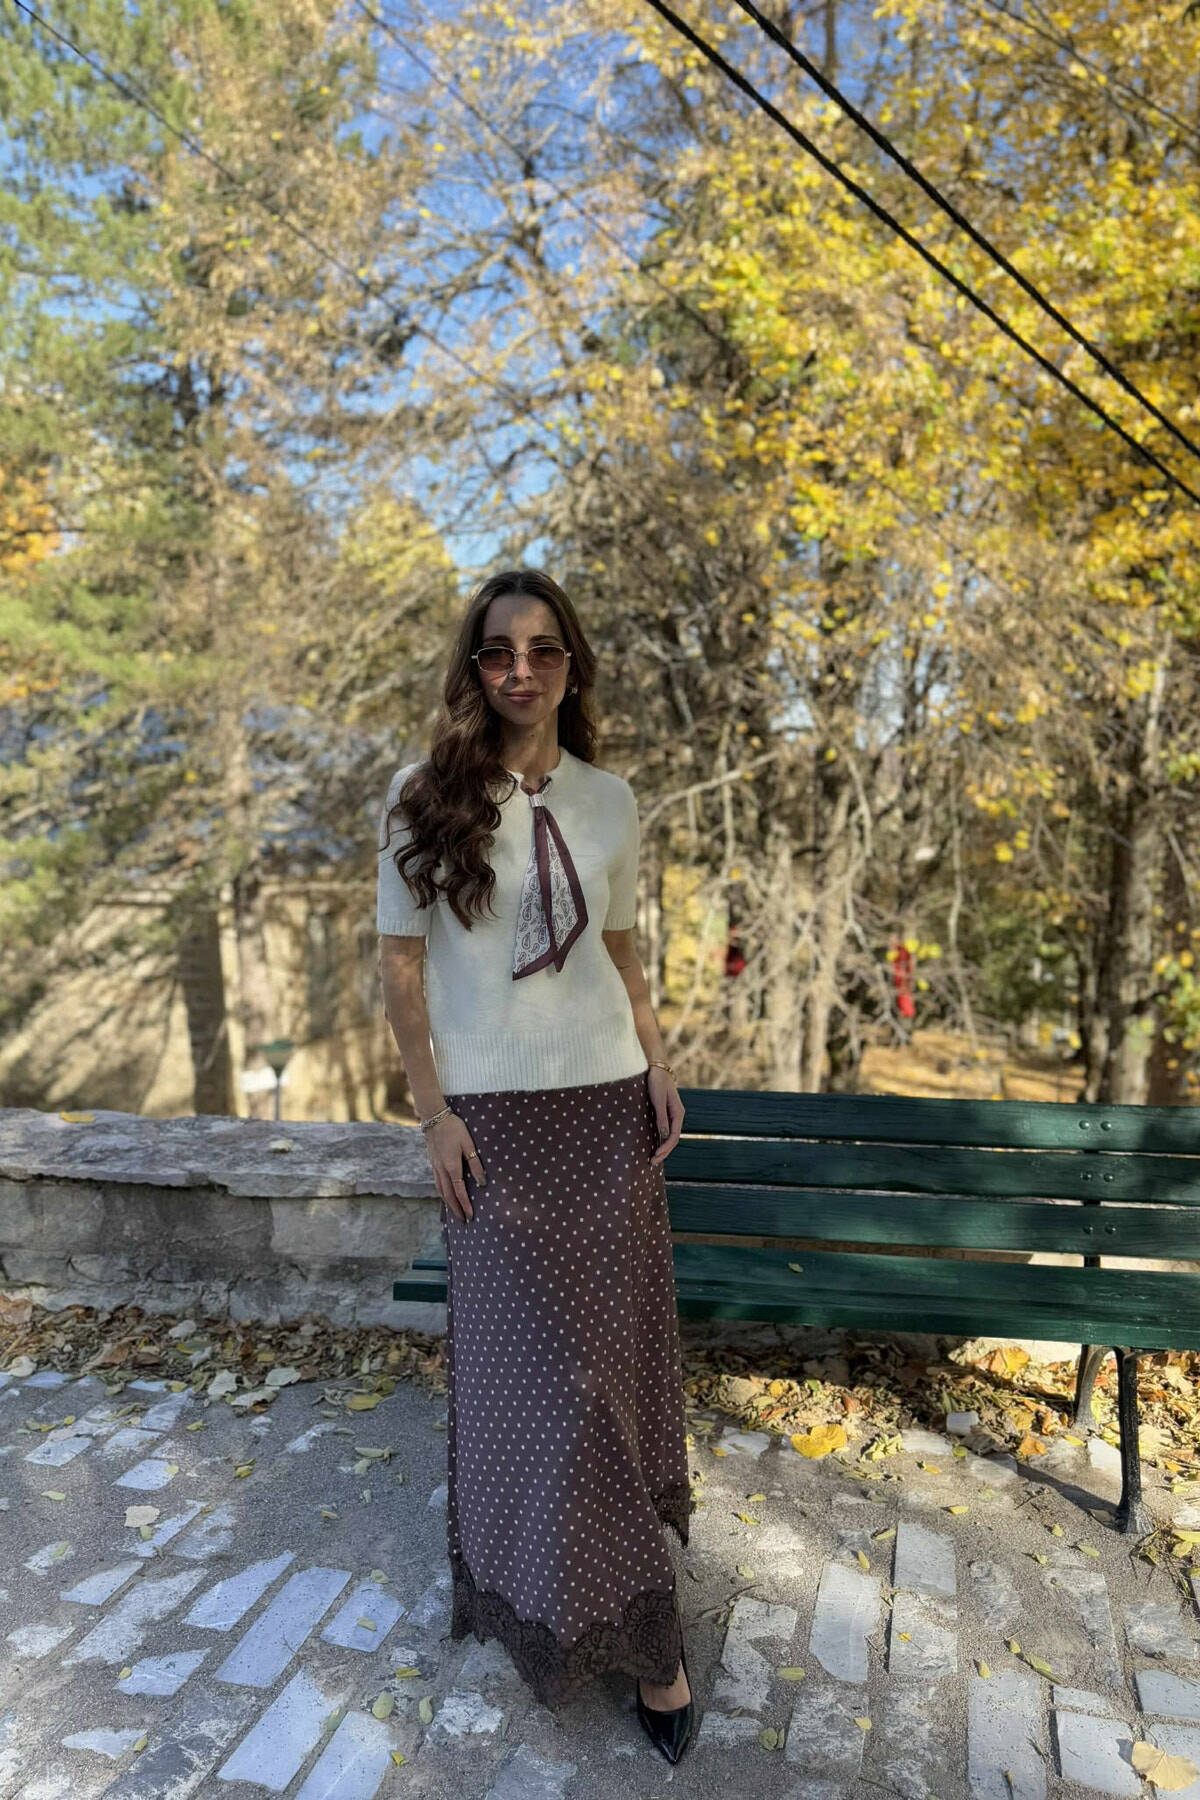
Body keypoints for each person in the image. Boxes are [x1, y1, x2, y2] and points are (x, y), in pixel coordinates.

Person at [376, 568, 696, 1759]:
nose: (522, 669)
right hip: (495, 1131)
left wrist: (657, 1060)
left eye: (544, 649)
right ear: (475, 668)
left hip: (606, 1118)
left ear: (573, 666)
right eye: (500, 651)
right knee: (541, 1387)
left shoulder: (612, 801)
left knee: (604, 1376)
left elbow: (621, 945)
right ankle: (633, 1636)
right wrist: (433, 1115)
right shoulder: (421, 797)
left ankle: (622, 1616)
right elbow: (400, 969)